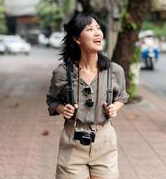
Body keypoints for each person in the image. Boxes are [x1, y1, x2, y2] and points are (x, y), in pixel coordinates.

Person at [46, 13, 129, 179]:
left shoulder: (115, 71)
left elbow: (122, 97)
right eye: (90, 29)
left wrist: (114, 108)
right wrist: (63, 109)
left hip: (104, 141)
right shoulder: (62, 73)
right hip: (73, 142)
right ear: (77, 39)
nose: (98, 33)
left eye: (98, 28)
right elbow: (52, 101)